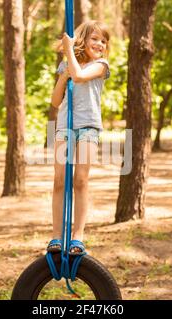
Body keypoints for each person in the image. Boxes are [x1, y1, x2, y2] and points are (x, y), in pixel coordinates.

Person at [47, 21, 111, 255]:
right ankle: (56, 236)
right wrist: (64, 74)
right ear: (83, 39)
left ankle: (78, 236)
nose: (100, 44)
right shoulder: (67, 64)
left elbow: (81, 76)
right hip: (65, 125)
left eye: (104, 41)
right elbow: (55, 101)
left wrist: (68, 52)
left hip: (88, 127)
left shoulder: (101, 65)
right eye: (95, 39)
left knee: (80, 180)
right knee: (59, 180)